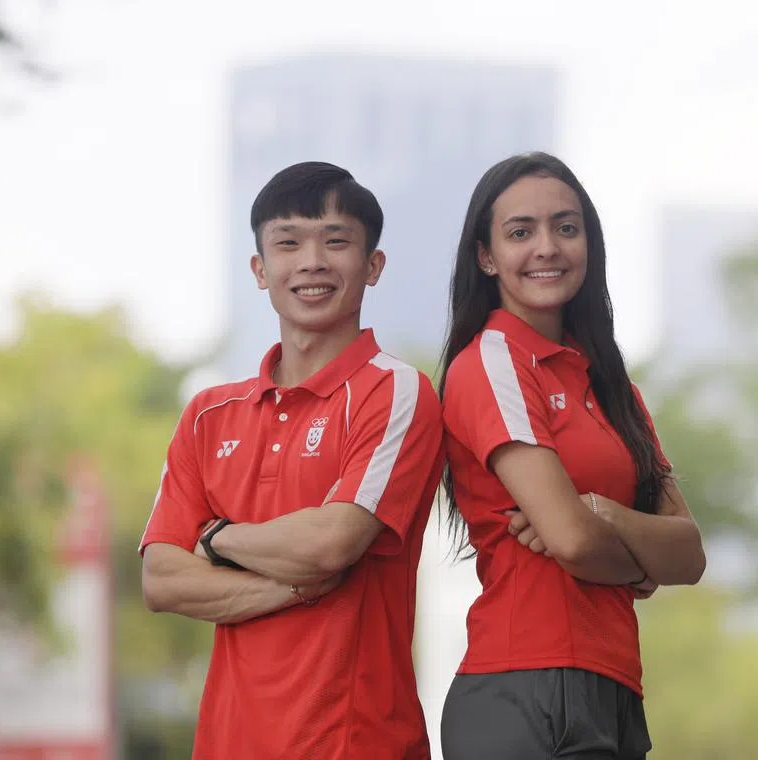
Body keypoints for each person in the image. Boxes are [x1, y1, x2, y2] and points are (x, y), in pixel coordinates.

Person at [140, 161, 444, 760]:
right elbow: (162, 580)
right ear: (260, 270)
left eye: (336, 241)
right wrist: (300, 588)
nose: (312, 261)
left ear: (373, 265)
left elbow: (330, 546)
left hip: (355, 743)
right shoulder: (207, 415)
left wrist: (217, 537)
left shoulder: (395, 391)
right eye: (288, 243)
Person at [437, 152, 707, 759]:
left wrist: (601, 512)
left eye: (566, 227)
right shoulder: (493, 362)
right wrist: (641, 565)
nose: (547, 248)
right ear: (486, 257)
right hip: (528, 683)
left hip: (613, 686)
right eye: (520, 232)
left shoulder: (612, 387)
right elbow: (572, 542)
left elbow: (689, 554)